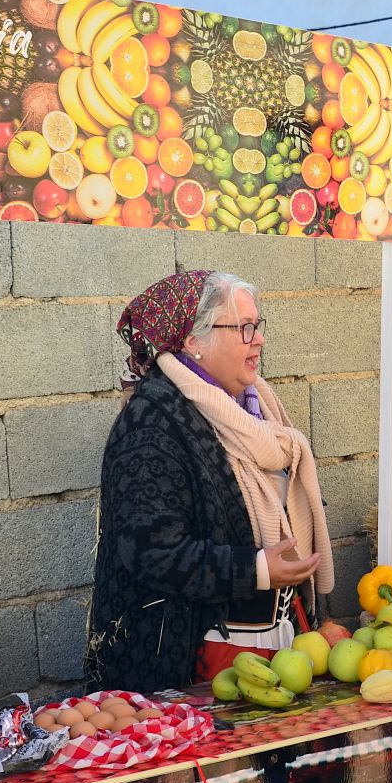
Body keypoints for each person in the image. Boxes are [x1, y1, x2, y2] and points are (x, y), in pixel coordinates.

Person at [85, 270, 331, 695]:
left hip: (273, 651)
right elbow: (148, 549)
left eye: (258, 325)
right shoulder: (152, 424)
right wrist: (253, 570)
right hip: (188, 669)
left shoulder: (255, 410)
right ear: (193, 342)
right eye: (243, 328)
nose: (259, 340)